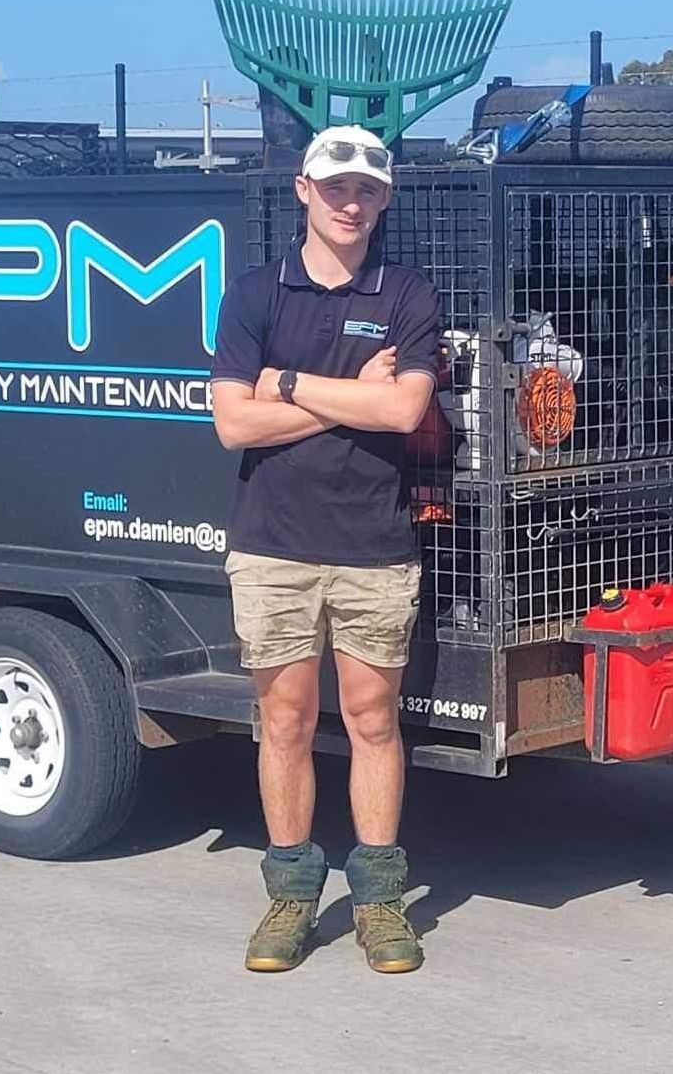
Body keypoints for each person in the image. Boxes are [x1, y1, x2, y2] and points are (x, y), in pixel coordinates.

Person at [210, 125, 440, 974]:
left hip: (373, 545)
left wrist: (292, 385)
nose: (351, 202)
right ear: (302, 189)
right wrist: (353, 395)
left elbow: (403, 414)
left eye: (367, 189)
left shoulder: (408, 291)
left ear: (384, 198)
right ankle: (290, 897)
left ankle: (380, 902)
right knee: (286, 720)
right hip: (273, 547)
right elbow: (233, 423)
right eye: (336, 186)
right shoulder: (255, 294)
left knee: (375, 721)